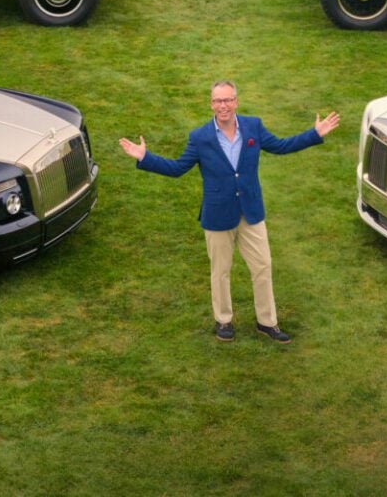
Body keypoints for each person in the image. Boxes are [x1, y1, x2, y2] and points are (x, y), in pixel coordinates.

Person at [120, 81, 339, 344]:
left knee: (263, 266)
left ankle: (267, 322)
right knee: (220, 271)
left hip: (251, 213)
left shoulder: (253, 127)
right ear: (211, 104)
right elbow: (178, 168)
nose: (223, 106)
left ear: (236, 101)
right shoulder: (199, 137)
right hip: (217, 216)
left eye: (228, 100)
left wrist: (314, 134)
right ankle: (223, 320)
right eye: (218, 101)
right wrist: (145, 157)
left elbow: (280, 146)